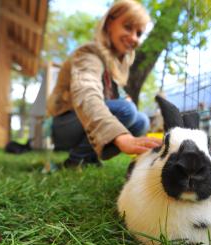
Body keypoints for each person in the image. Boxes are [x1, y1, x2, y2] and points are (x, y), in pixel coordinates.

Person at [47, 0, 161, 168]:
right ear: (109, 24)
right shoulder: (89, 54)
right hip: (63, 126)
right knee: (126, 110)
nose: (134, 38)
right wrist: (121, 136)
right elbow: (86, 95)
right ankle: (76, 160)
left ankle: (88, 157)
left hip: (83, 126)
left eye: (139, 33)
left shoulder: (115, 64)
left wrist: (123, 96)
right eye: (128, 27)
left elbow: (113, 94)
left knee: (142, 121)